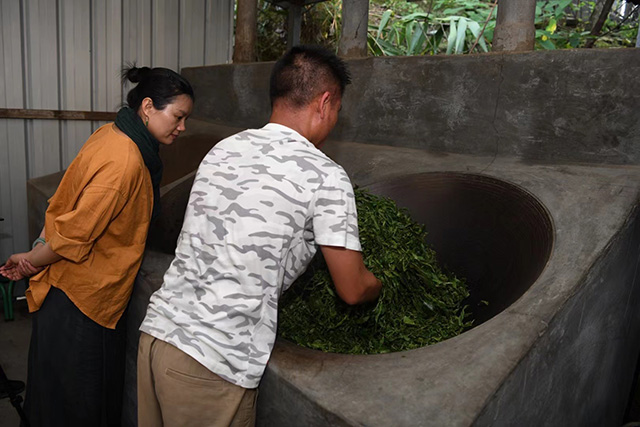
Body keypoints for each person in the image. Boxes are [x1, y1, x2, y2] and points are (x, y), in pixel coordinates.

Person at [137, 45, 382, 427]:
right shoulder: (326, 175)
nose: (334, 120)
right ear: (325, 102)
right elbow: (352, 288)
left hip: (157, 338)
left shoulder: (223, 149)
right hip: (212, 363)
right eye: (336, 110)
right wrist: (378, 286)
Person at [0, 66, 194, 426]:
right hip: (84, 304)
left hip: (67, 293)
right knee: (82, 406)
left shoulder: (110, 133)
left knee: (54, 397)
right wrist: (30, 261)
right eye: (178, 116)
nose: (182, 127)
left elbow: (64, 199)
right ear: (149, 107)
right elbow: (74, 236)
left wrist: (37, 248)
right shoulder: (127, 163)